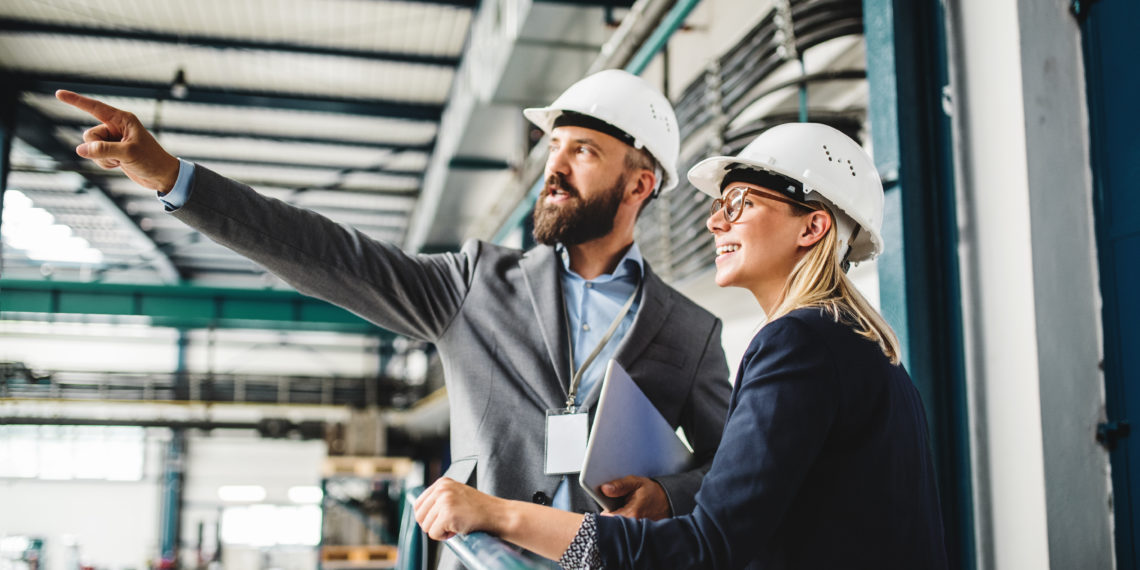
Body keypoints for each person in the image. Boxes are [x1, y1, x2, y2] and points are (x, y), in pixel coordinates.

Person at [56, 69, 733, 569]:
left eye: (582, 150)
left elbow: (737, 469)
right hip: (483, 559)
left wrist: (670, 496)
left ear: (639, 184)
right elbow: (324, 253)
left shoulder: (688, 329)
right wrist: (173, 178)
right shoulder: (475, 283)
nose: (553, 166)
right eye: (553, 145)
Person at [412, 123, 950, 569]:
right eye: (720, 203)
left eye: (739, 202)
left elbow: (703, 550)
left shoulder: (796, 344)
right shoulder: (866, 353)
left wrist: (502, 517)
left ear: (812, 227)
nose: (716, 221)